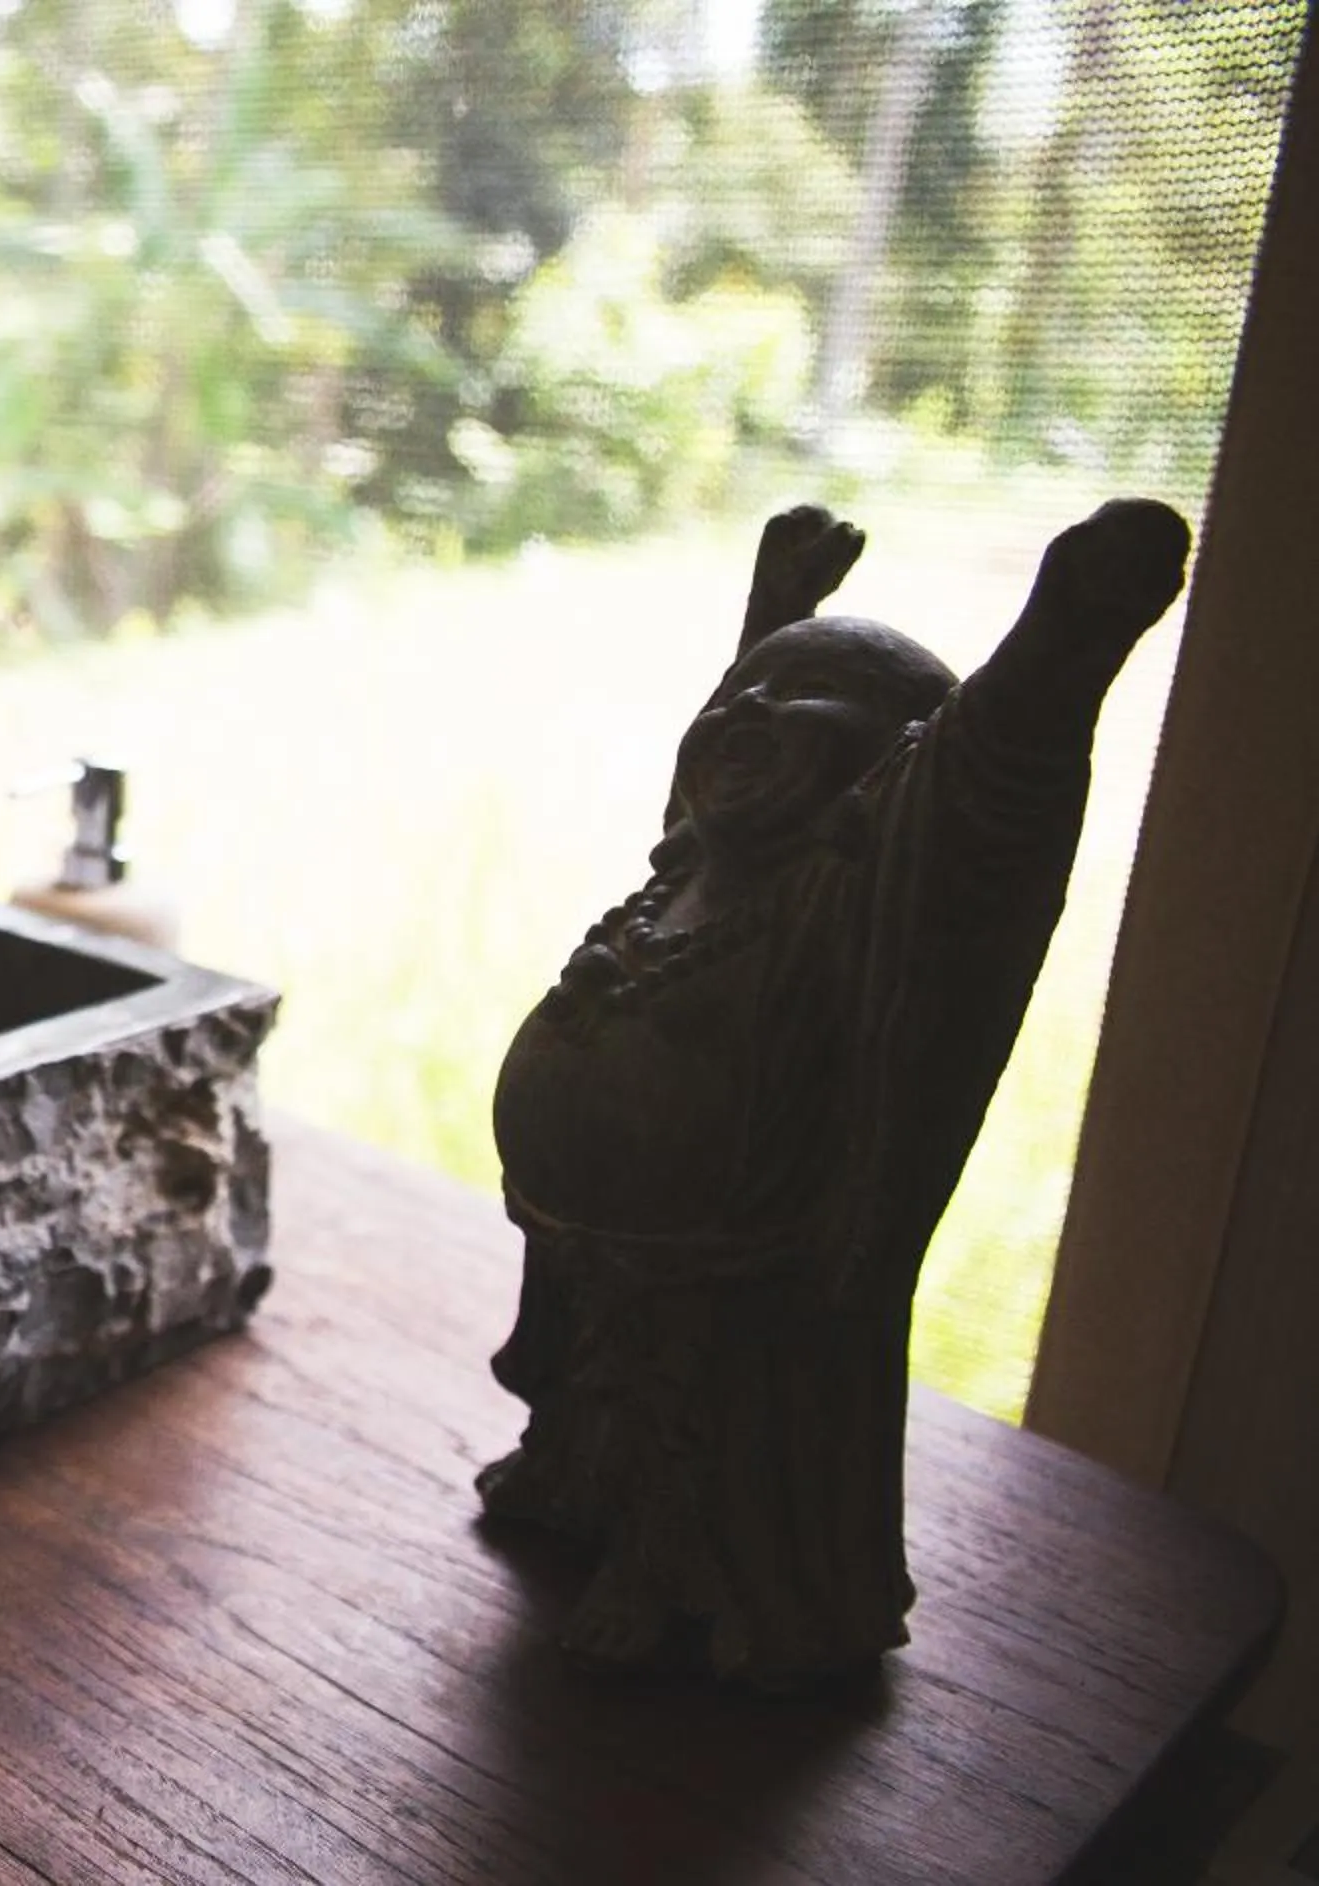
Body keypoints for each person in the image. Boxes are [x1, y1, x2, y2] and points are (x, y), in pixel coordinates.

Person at [479, 498, 1191, 1683]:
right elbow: (730, 731)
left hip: (729, 1255)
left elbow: (984, 781)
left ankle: (668, 1564)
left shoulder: (842, 904)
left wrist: (1068, 631)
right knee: (600, 1379)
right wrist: (774, 617)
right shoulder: (692, 870)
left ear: (880, 779)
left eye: (803, 700)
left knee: (686, 1411)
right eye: (742, 697)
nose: (750, 718)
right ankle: (576, 1477)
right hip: (589, 1237)